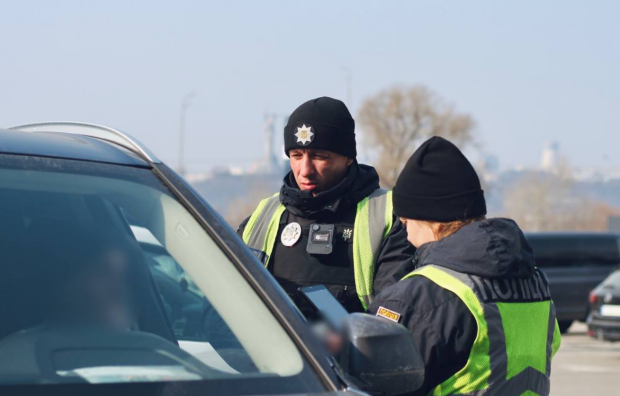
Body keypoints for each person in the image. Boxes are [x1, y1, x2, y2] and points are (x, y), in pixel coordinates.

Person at [369, 136, 561, 396]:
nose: (405, 232)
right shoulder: (535, 281)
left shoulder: (418, 298)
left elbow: (377, 385)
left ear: (433, 220)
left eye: (405, 222)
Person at [238, 97, 415, 313]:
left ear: (348, 158)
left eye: (319, 157)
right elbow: (223, 308)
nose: (305, 170)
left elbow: (395, 314)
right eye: (296, 155)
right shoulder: (263, 216)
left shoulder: (387, 216)